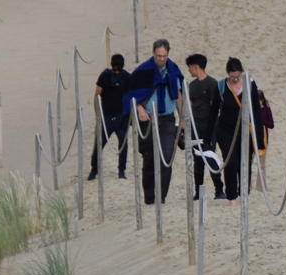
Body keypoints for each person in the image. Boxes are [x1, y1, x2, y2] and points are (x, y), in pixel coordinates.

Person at [127, 39, 185, 205]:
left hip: (167, 119)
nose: (161, 59)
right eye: (159, 56)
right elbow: (131, 92)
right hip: (148, 120)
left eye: (164, 56)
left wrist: (182, 118)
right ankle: (149, 197)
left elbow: (178, 95)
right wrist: (139, 108)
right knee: (149, 160)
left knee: (166, 158)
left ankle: (161, 197)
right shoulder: (143, 71)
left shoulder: (172, 70)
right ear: (153, 53)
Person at [184, 54, 225, 199]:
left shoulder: (212, 84)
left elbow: (214, 108)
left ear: (195, 67)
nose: (189, 70)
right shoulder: (192, 86)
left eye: (190, 67)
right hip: (195, 127)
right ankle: (198, 192)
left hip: (210, 127)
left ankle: (219, 190)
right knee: (198, 161)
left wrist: (210, 128)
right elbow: (189, 106)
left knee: (209, 157)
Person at [87, 53, 133, 180]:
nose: (117, 72)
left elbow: (131, 95)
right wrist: (97, 115)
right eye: (115, 69)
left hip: (121, 117)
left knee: (123, 144)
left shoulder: (126, 77)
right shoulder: (104, 76)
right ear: (111, 65)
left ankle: (122, 171)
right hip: (106, 116)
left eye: (119, 69)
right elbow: (97, 96)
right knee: (99, 144)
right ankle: (94, 170)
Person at [214, 57, 254, 202]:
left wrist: (258, 134)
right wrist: (207, 137)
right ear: (227, 73)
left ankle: (244, 193)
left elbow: (256, 109)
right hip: (225, 130)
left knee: (245, 162)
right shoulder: (221, 86)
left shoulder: (249, 84)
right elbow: (213, 111)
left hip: (245, 130)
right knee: (230, 162)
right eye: (232, 77)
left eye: (238, 76)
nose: (235, 79)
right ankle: (231, 196)